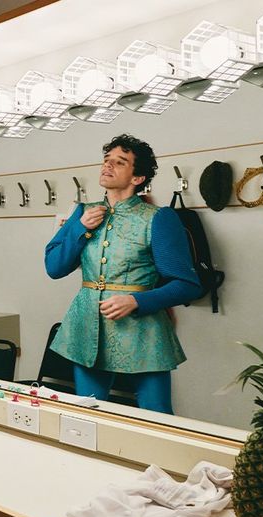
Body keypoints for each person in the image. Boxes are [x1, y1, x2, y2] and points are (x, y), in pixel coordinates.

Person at [45, 134, 201, 414]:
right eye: (106, 160)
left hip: (144, 331)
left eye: (120, 162)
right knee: (89, 415)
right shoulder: (83, 212)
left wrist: (137, 301)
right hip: (87, 328)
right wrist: (80, 228)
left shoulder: (158, 218)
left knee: (158, 417)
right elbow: (54, 268)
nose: (108, 166)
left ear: (137, 177)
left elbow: (187, 285)